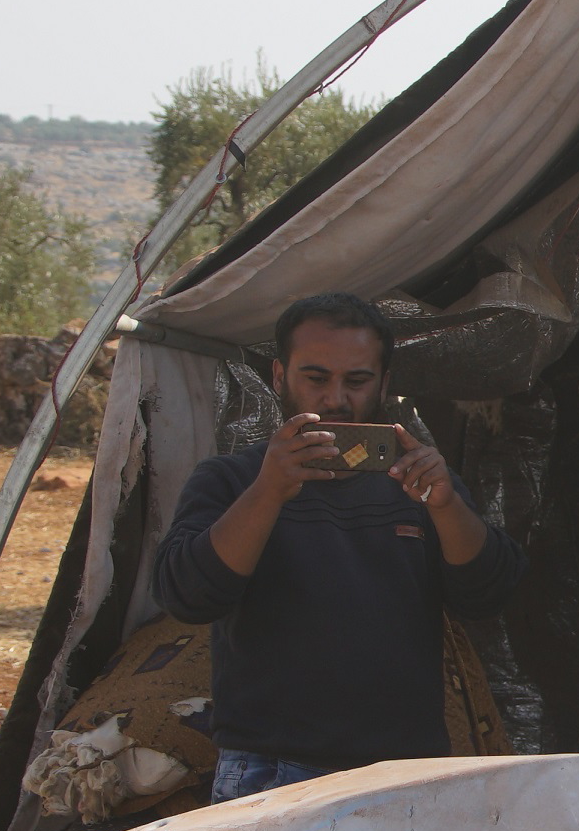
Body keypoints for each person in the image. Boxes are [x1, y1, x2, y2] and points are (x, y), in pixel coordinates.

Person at [150, 291, 524, 798]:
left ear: (384, 384)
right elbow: (187, 595)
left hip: (402, 775)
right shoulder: (233, 480)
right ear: (280, 377)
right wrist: (269, 491)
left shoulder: (418, 482)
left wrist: (445, 507)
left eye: (357, 380)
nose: (335, 399)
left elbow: (487, 595)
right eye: (316, 378)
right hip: (270, 772)